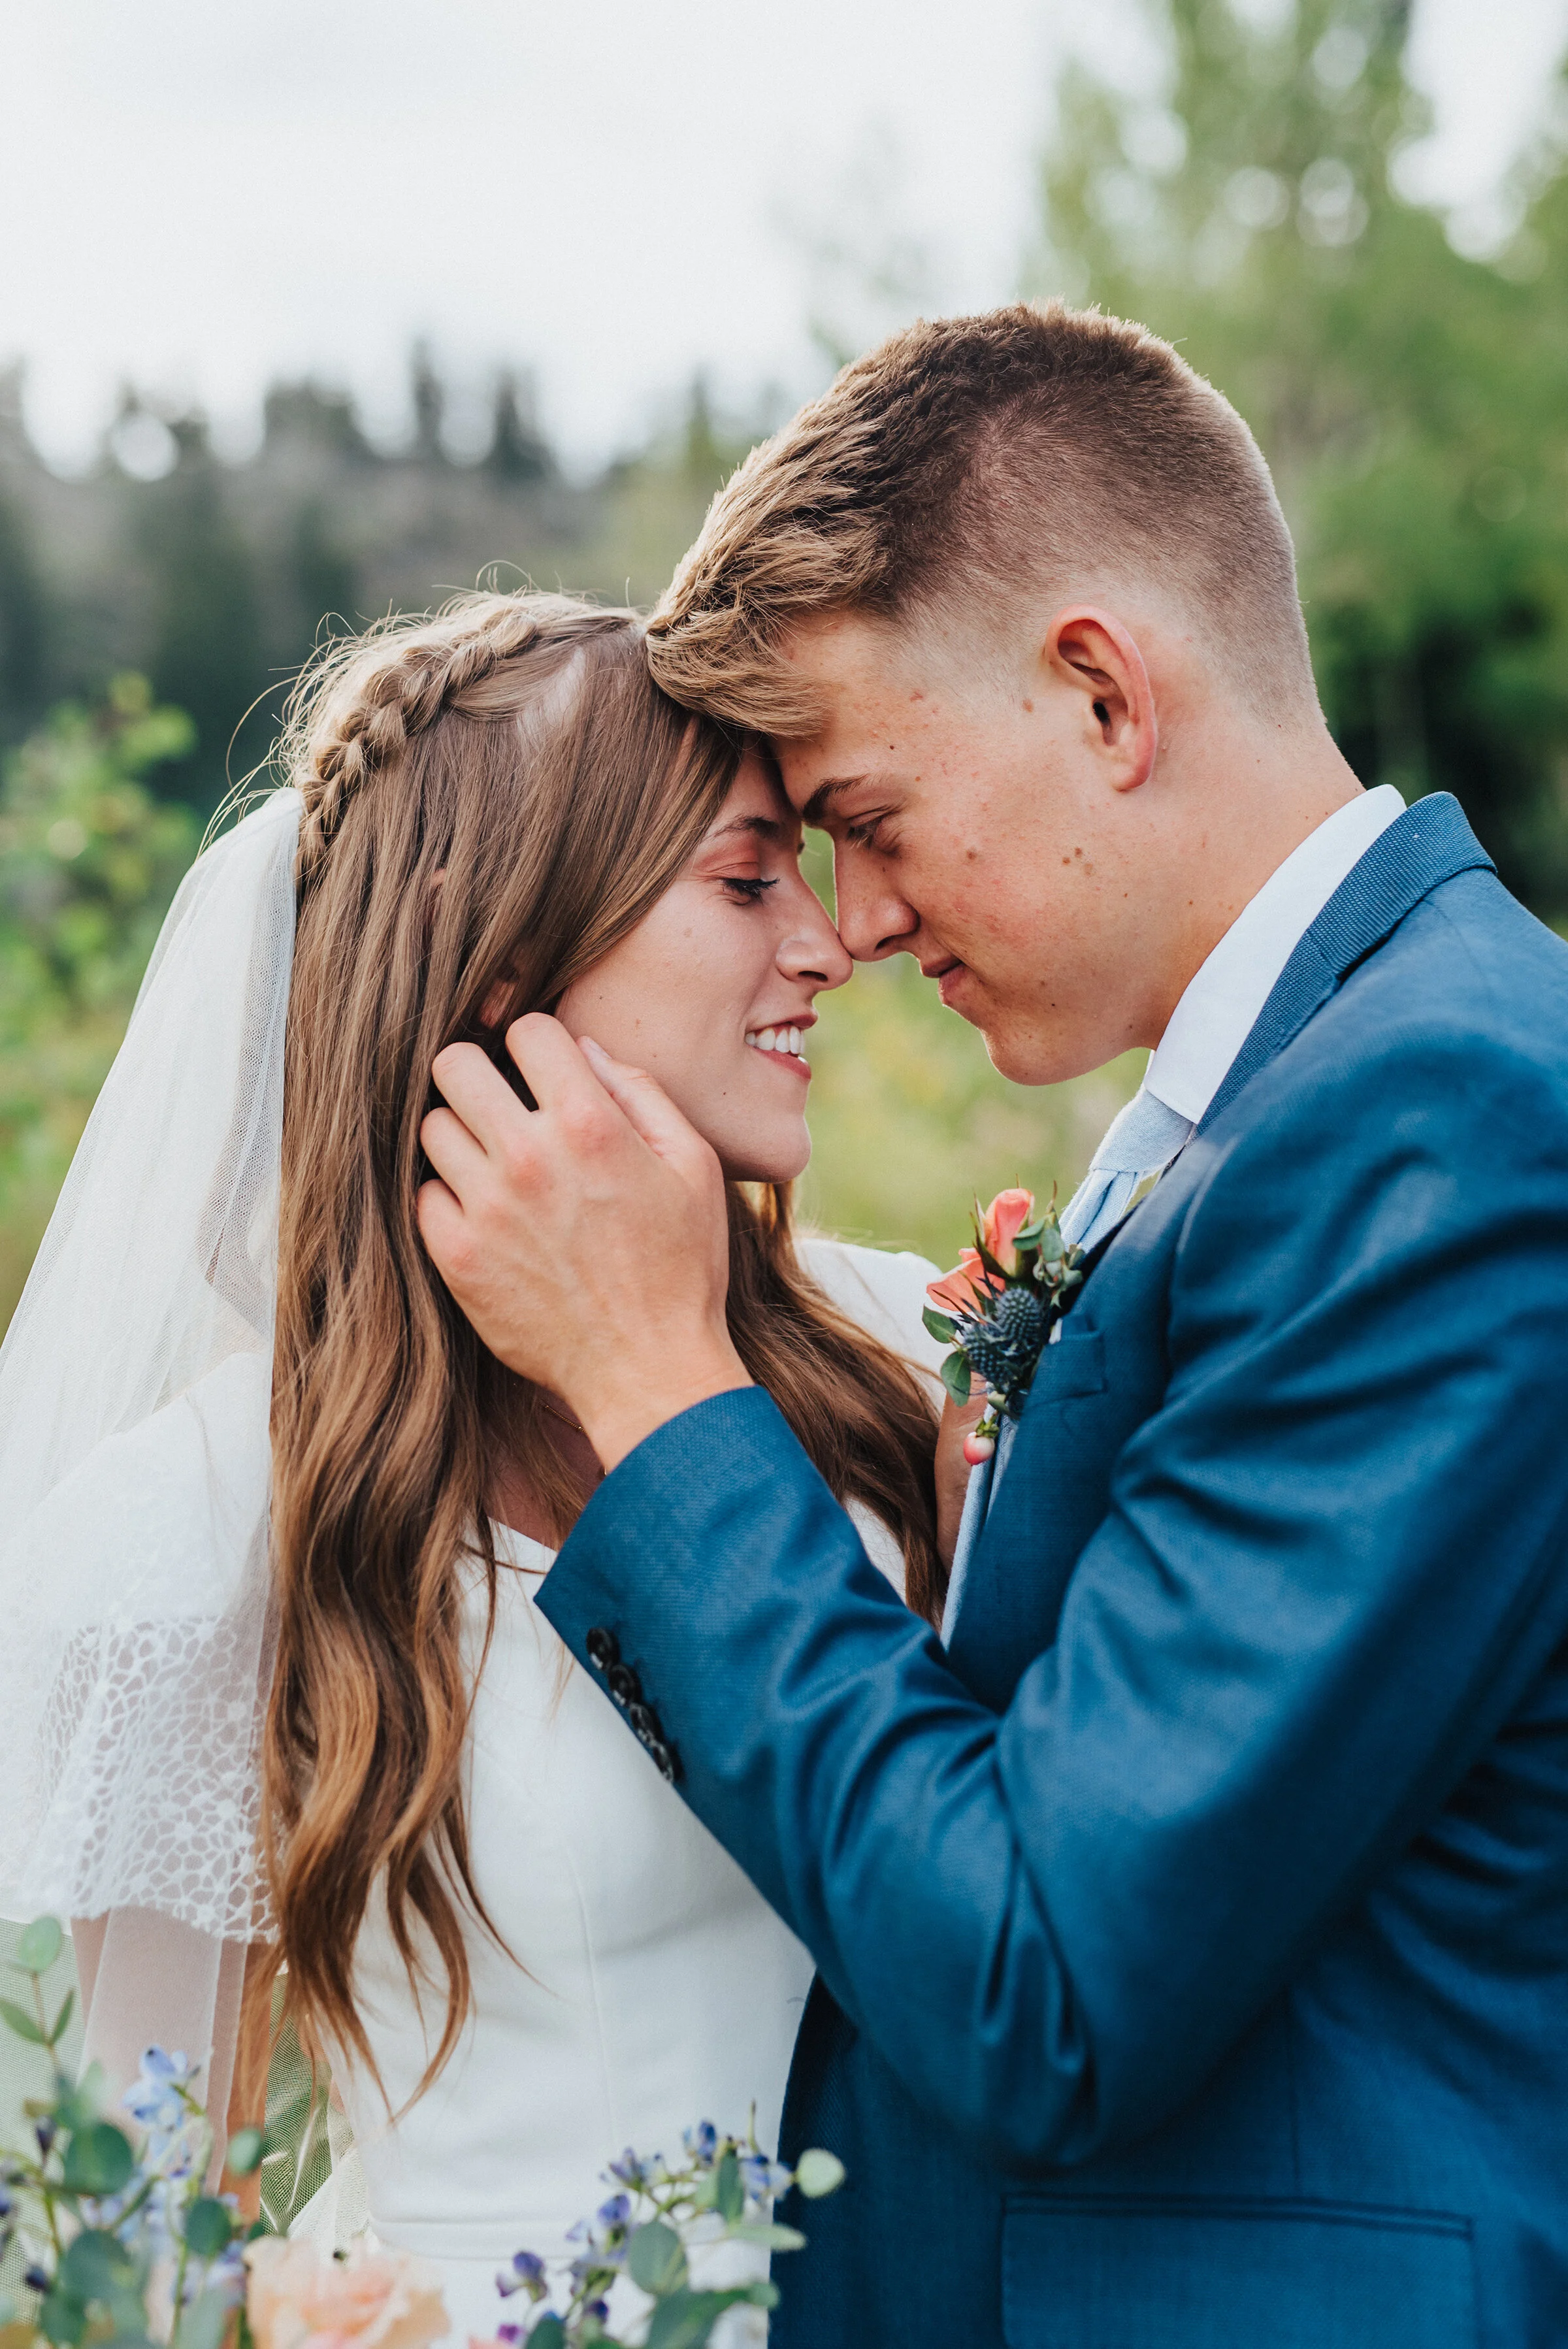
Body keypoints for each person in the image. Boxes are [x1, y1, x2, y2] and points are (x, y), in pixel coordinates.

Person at [416, 308, 1568, 2349]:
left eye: (863, 812)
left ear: (1102, 696)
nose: (852, 924)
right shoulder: (1280, 1103)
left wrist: (655, 1380)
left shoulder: (1443, 1115)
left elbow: (1050, 1985)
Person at [0, 592, 948, 2341]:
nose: (825, 947)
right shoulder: (193, 1537)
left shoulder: (916, 1368)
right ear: (508, 965)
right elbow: (139, 2268)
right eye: (747, 883)